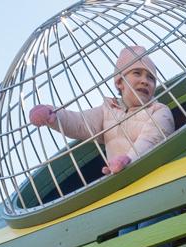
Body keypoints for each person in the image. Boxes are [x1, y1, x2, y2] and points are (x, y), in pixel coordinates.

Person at [27, 45, 176, 179]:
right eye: (137, 73)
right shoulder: (107, 110)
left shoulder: (159, 110)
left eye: (151, 77)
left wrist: (128, 159)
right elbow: (80, 122)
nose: (145, 80)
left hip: (155, 173)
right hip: (121, 180)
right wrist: (53, 115)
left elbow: (154, 137)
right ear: (119, 82)